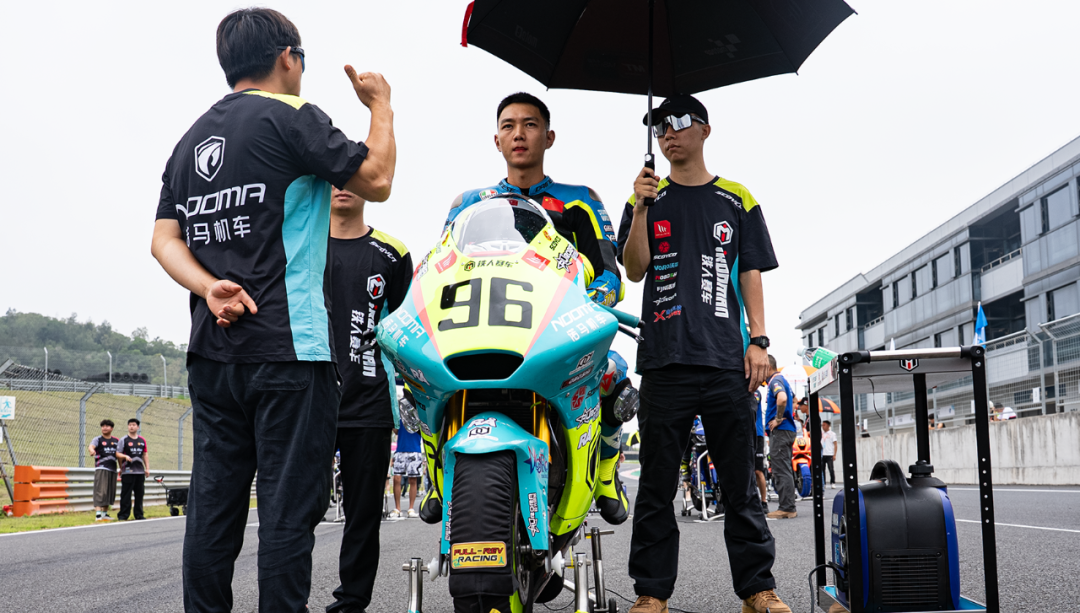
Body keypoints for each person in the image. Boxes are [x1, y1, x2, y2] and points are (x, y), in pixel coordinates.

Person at [149, 8, 395, 611]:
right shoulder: (292, 116)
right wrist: (381, 107)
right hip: (291, 350)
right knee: (287, 515)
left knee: (213, 512)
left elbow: (162, 239)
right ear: (288, 56)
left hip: (212, 354)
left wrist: (210, 286)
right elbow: (377, 179)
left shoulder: (189, 141)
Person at [618, 94, 789, 613]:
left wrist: (759, 340)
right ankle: (651, 594)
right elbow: (634, 268)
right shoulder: (647, 197)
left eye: (677, 122)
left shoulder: (736, 198)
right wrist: (641, 207)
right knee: (656, 487)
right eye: (658, 127)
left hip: (724, 362)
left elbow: (751, 270)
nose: (667, 133)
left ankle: (757, 589)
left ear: (705, 130)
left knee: (740, 484)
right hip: (664, 361)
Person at [441, 91, 631, 524]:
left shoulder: (579, 199)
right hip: (477, 328)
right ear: (496, 140)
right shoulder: (468, 203)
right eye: (508, 126)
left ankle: (604, 472)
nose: (519, 134)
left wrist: (592, 302)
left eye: (529, 125)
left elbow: (610, 273)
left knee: (614, 375)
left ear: (549, 137)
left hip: (556, 333)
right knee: (420, 381)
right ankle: (437, 474)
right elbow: (440, 266)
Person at [326, 186, 411, 612]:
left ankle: (351, 603)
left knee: (363, 514)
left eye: (352, 177)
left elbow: (408, 328)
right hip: (306, 400)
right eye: (334, 176)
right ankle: (287, 598)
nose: (342, 185)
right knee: (295, 509)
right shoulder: (298, 244)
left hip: (370, 401)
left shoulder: (393, 253)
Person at [765, 356, 798, 519]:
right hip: (786, 430)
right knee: (784, 468)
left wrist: (778, 418)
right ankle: (788, 506)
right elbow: (795, 400)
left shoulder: (775, 380)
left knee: (781, 469)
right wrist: (789, 415)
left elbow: (783, 398)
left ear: (767, 366)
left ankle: (787, 508)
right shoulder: (783, 380)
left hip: (781, 431)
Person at [117, 418, 150, 520]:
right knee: (126, 494)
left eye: (133, 425)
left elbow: (145, 454)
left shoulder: (142, 440)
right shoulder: (123, 440)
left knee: (139, 494)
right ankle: (123, 515)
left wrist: (147, 468)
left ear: (138, 427)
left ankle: (139, 514)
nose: (131, 427)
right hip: (127, 471)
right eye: (130, 425)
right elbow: (117, 454)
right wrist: (123, 462)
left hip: (139, 471)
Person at [88, 420, 121, 522]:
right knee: (100, 491)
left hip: (113, 469)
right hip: (101, 468)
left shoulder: (116, 440)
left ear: (112, 428)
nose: (104, 428)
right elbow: (91, 446)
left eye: (107, 426)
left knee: (109, 492)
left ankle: (105, 514)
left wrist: (121, 468)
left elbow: (119, 455)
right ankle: (98, 515)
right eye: (103, 426)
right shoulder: (98, 439)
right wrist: (92, 451)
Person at [391, 414, 423, 518]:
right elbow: (396, 431)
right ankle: (397, 508)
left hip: (415, 450)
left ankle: (411, 509)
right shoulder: (399, 415)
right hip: (400, 450)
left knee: (413, 480)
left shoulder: (419, 415)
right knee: (396, 479)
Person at [754, 390, 769, 513]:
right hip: (741, 434)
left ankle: (764, 501)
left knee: (758, 470)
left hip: (757, 434)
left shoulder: (755, 392)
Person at [820, 420, 837, 490]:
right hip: (822, 454)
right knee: (822, 469)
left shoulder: (832, 434)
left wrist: (834, 454)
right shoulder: (821, 434)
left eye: (824, 425)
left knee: (831, 469)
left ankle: (833, 482)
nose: (823, 426)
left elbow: (835, 444)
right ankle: (823, 483)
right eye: (822, 425)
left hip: (829, 454)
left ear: (828, 426)